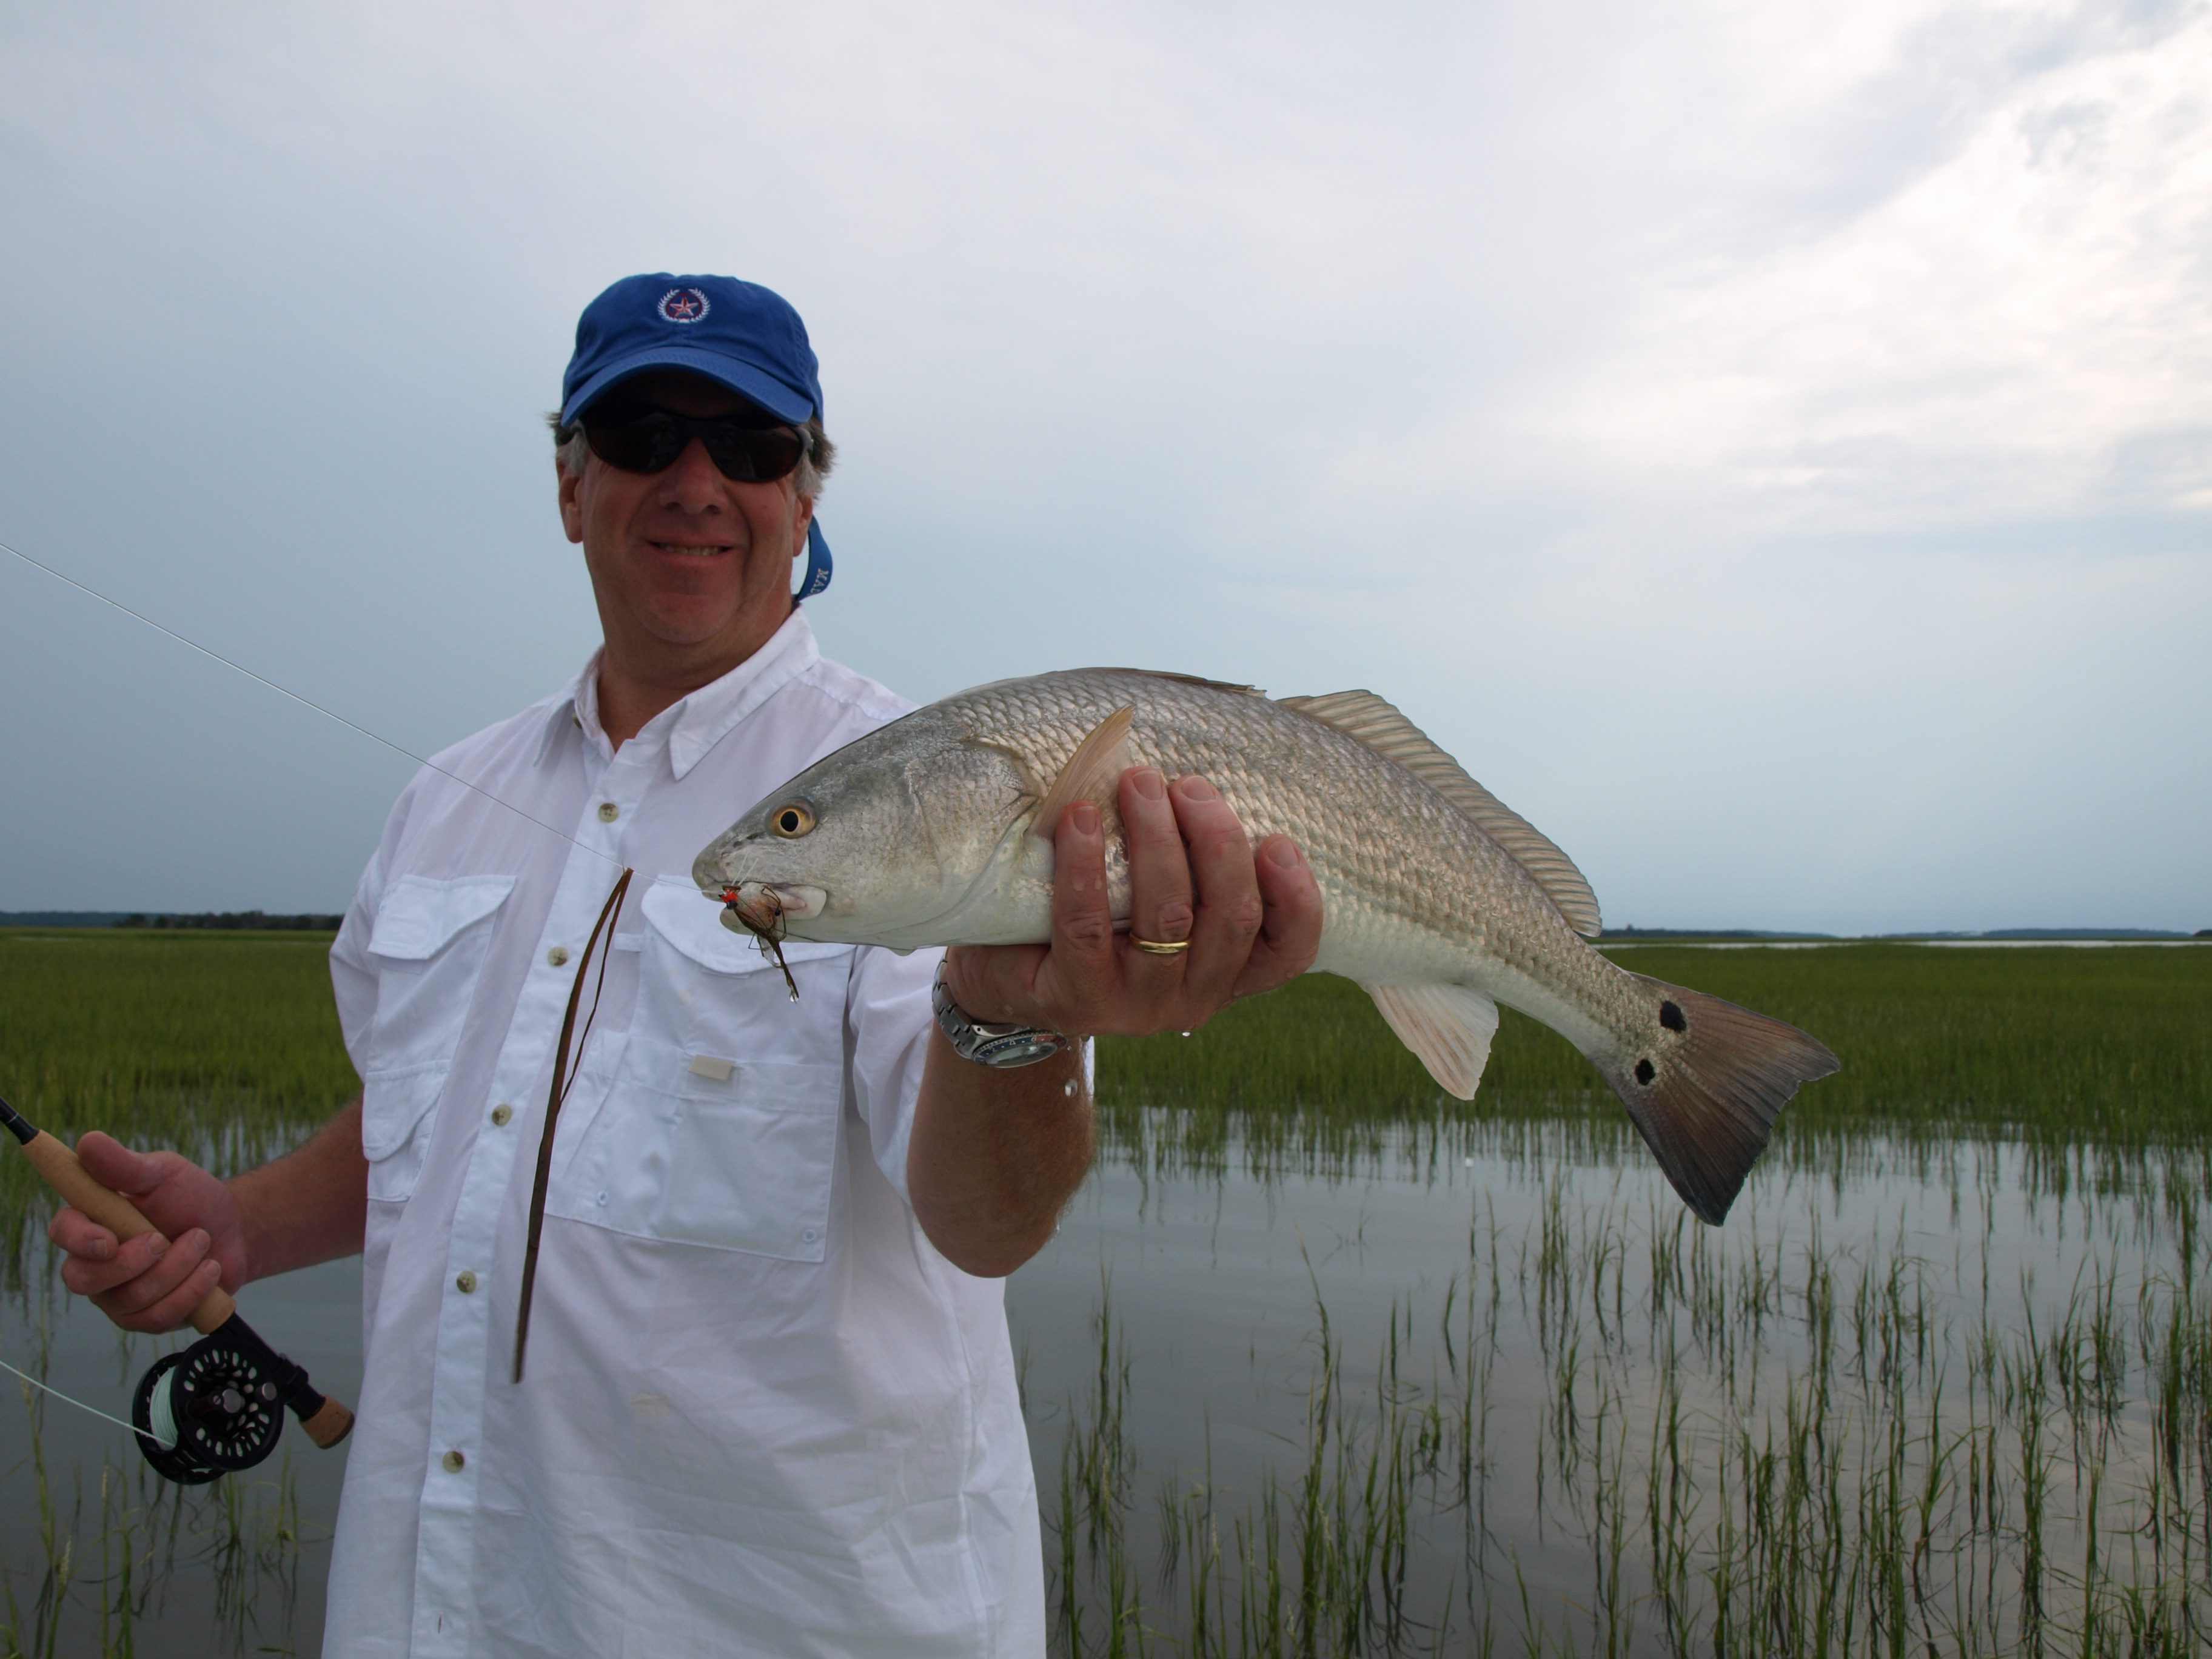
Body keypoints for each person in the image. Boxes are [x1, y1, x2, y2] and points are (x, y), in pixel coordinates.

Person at [49, 273, 1324, 1656]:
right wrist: (244, 1225)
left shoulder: (926, 802)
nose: (697, 480)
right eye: (645, 434)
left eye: (753, 445)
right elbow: (456, 1113)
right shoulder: (446, 798)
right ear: (568, 484)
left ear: (806, 496)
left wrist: (1005, 1026)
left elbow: (984, 1222)